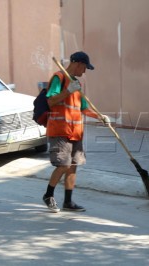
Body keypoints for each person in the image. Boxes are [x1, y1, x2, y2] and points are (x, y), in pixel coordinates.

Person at [43, 51, 110, 212]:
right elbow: (51, 101)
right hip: (60, 131)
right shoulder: (59, 77)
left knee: (73, 166)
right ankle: (48, 195)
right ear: (78, 63)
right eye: (85, 67)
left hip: (75, 132)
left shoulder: (77, 85)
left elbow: (84, 109)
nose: (85, 71)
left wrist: (101, 117)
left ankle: (68, 202)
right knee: (63, 165)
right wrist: (68, 91)